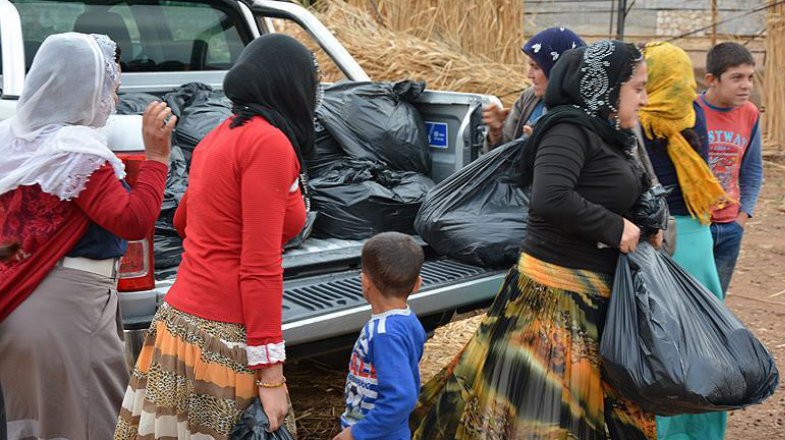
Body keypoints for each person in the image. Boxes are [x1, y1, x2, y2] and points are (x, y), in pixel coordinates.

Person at [411, 40, 658, 439]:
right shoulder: (567, 129)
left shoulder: (608, 133)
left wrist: (645, 221)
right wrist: (615, 228)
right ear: (605, 87)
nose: (645, 98)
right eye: (638, 87)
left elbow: (605, 190)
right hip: (556, 304)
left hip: (595, 300)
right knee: (547, 415)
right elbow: (551, 198)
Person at [114, 34, 318, 439]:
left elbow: (184, 222)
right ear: (291, 86)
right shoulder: (269, 144)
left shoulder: (219, 135)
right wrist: (272, 377)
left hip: (179, 328)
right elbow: (260, 266)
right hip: (221, 339)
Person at [0, 32, 174, 440]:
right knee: (96, 421)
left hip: (22, 306)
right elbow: (132, 221)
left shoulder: (13, 140)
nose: (111, 102)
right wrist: (157, 158)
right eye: (108, 89)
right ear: (81, 89)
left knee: (39, 423)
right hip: (67, 309)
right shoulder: (74, 151)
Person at [640, 42, 731, 440]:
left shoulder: (637, 121)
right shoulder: (692, 112)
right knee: (705, 338)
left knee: (659, 341)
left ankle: (664, 430)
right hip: (697, 235)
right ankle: (703, 430)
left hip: (660, 239)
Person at [333, 232, 427, 440]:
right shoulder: (409, 321)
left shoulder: (385, 334)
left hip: (376, 435)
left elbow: (401, 397)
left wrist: (356, 433)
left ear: (365, 282)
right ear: (418, 283)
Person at [697, 41, 763, 296]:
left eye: (750, 77)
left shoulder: (750, 113)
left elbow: (753, 169)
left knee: (716, 300)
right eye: (737, 77)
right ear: (712, 79)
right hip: (696, 224)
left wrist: (743, 216)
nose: (746, 85)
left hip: (730, 226)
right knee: (685, 299)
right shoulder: (691, 112)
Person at [482, 27, 585, 151]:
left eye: (536, 67)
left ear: (558, 70)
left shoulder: (581, 113)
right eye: (530, 66)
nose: (529, 75)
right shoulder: (529, 99)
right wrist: (496, 132)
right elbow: (500, 157)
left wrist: (535, 149)